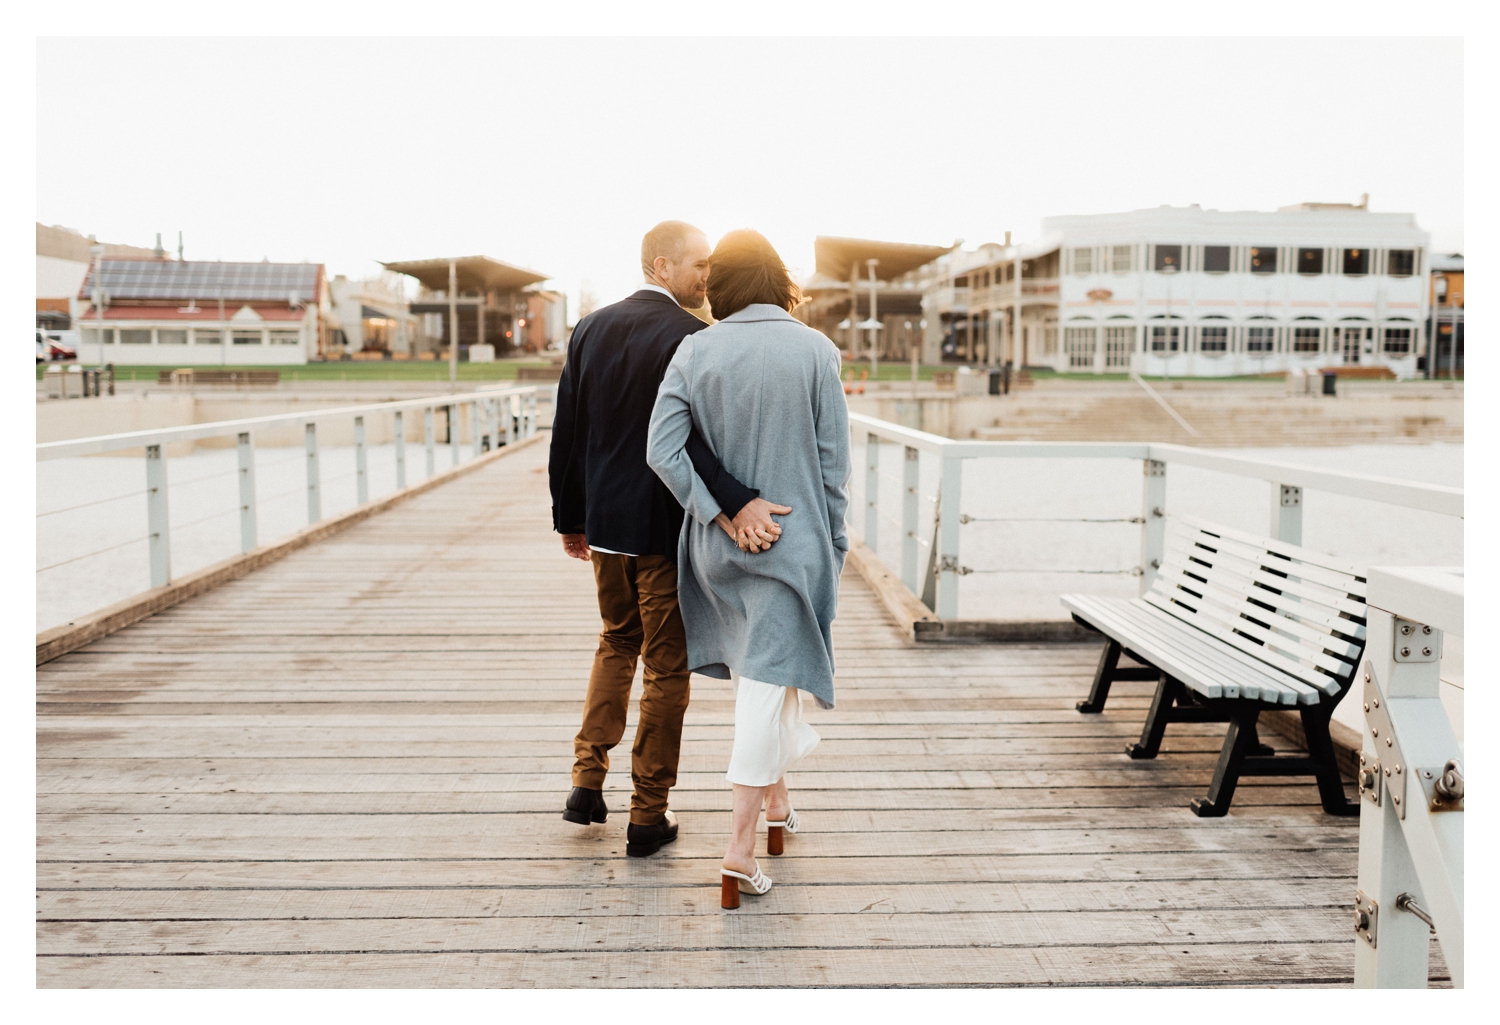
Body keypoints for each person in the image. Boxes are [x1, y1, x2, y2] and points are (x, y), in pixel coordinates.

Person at [548, 220, 789, 858]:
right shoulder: (692, 337)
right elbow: (695, 443)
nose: (707, 276)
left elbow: (566, 430)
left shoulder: (589, 328)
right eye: (698, 264)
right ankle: (647, 815)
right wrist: (738, 503)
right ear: (662, 266)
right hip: (660, 528)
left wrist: (570, 517)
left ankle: (586, 780)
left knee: (615, 641)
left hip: (604, 526)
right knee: (665, 666)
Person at [646, 229, 851, 907]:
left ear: (723, 286)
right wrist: (836, 546)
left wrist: (722, 514)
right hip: (793, 546)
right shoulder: (816, 351)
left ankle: (778, 803)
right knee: (766, 685)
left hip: (716, 550)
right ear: (780, 282)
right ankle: (737, 849)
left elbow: (663, 451)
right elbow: (831, 471)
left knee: (766, 675)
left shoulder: (694, 349)